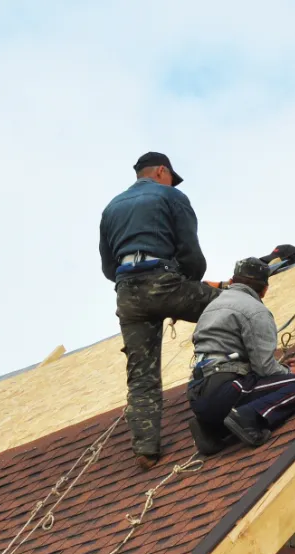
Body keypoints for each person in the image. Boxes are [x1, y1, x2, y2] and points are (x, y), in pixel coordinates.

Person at [99, 151, 221, 470]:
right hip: (163, 281)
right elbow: (190, 251)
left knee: (141, 374)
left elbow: (108, 265)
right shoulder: (170, 196)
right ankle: (239, 379)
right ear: (161, 172)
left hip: (127, 294)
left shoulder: (111, 207)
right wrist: (186, 286)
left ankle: (146, 449)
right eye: (170, 177)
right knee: (228, 305)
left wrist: (135, 282)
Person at [186, 257, 295, 454]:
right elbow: (264, 368)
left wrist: (280, 368)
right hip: (228, 389)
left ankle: (212, 428)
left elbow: (232, 356)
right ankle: (249, 418)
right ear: (264, 289)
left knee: (250, 389)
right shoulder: (255, 311)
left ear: (232, 281)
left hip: (199, 396)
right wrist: (287, 372)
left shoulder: (212, 308)